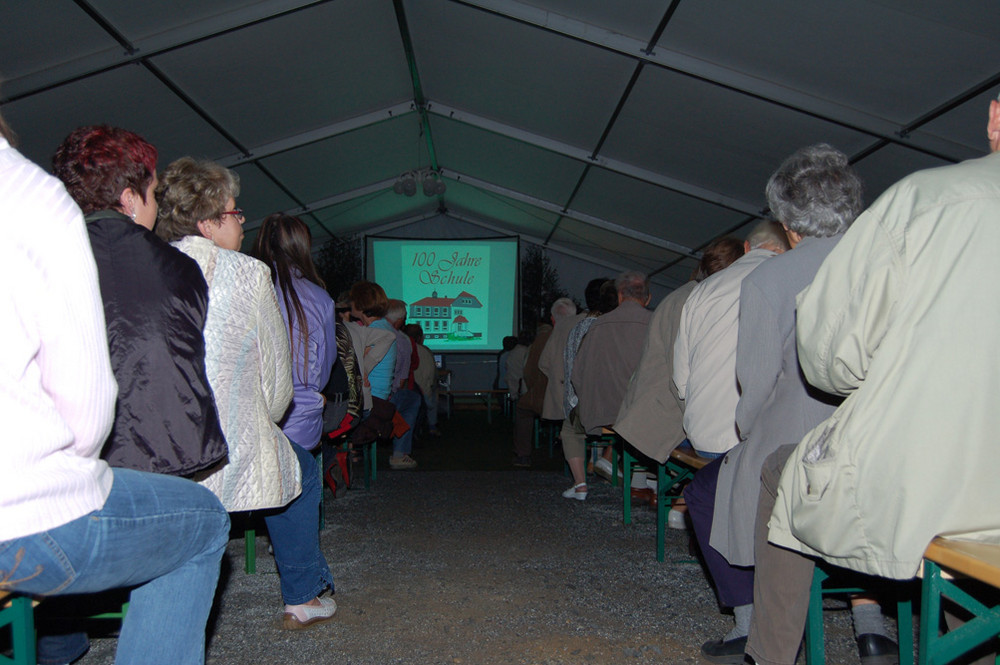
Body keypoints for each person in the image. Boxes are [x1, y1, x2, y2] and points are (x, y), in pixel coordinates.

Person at [744, 95, 1000, 665]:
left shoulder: (924, 201)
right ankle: (897, 625)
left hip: (933, 473)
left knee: (783, 475)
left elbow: (832, 363)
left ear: (994, 117)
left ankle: (771, 654)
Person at [0, 114, 229, 665]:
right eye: (152, 192)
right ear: (130, 197)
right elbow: (86, 410)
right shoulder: (32, 202)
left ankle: (59, 642)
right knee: (201, 522)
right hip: (129, 457)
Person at [684, 146, 895, 664]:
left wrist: (745, 428)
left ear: (786, 223)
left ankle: (764, 639)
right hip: (884, 441)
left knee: (743, 487)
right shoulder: (893, 263)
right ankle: (872, 626)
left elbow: (754, 386)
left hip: (796, 434)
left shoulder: (768, 279)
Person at [156, 158, 336, 629]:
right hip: (227, 434)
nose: (241, 221)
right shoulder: (248, 274)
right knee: (301, 471)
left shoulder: (146, 262)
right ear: (208, 222)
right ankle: (301, 594)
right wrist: (266, 423)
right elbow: (278, 387)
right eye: (234, 213)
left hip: (152, 442)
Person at [52, 125, 227, 477]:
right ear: (130, 200)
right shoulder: (179, 268)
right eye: (154, 193)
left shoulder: (41, 259)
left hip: (66, 459)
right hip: (169, 454)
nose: (157, 206)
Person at [614, 238, 744, 523]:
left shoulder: (686, 294)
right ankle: (683, 506)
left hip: (652, 405)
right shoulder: (698, 299)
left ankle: (670, 495)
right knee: (731, 444)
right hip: (664, 412)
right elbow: (682, 379)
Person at [672, 222, 789, 458]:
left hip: (702, 433)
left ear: (746, 247)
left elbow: (680, 380)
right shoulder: (787, 280)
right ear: (788, 248)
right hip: (756, 440)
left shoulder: (702, 290)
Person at [558, 279, 618, 498]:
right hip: (618, 403)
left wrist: (572, 402)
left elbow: (570, 366)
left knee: (569, 431)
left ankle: (580, 484)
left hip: (586, 401)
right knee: (626, 426)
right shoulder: (616, 326)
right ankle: (608, 458)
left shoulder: (579, 328)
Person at [512, 298, 578, 467]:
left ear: (553, 319)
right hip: (579, 399)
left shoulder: (544, 339)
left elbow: (531, 371)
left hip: (548, 397)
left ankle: (523, 455)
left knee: (522, 409)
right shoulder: (583, 333)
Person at [385, 299, 422, 469]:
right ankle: (399, 454)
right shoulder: (403, 341)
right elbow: (401, 381)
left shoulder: (366, 331)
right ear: (400, 320)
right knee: (412, 399)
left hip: (362, 396)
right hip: (386, 399)